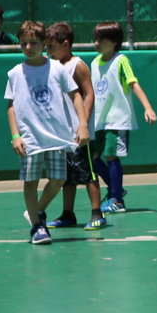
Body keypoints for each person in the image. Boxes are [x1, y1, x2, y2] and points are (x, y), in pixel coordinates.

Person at [6, 21, 80, 245]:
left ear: (44, 43)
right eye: (23, 44)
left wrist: (83, 125)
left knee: (58, 179)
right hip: (29, 139)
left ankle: (36, 212)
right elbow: (11, 106)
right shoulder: (15, 73)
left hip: (55, 137)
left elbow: (76, 95)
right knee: (31, 181)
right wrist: (16, 136)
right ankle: (37, 227)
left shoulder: (58, 68)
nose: (28, 47)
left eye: (33, 43)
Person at [90, 22, 157, 214]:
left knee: (111, 155)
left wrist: (148, 108)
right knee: (93, 158)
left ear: (114, 42)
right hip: (98, 120)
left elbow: (133, 83)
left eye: (101, 40)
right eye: (95, 39)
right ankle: (116, 190)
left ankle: (117, 200)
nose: (97, 43)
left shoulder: (121, 61)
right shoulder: (94, 63)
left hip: (117, 119)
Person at [43, 22, 101, 230]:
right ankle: (68, 214)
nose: (48, 51)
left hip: (80, 133)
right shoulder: (54, 66)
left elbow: (89, 94)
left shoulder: (78, 65)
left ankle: (97, 213)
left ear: (66, 44)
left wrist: (83, 125)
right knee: (67, 176)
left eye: (51, 46)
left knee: (88, 173)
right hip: (63, 133)